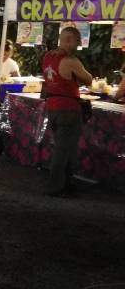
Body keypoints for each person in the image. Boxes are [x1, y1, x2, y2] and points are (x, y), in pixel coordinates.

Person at [41, 27, 93, 197]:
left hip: (52, 106)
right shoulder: (71, 60)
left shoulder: (48, 56)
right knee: (63, 150)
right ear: (70, 40)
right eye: (77, 41)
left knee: (64, 147)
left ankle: (66, 183)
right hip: (68, 108)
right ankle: (55, 187)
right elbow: (89, 79)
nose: (78, 45)